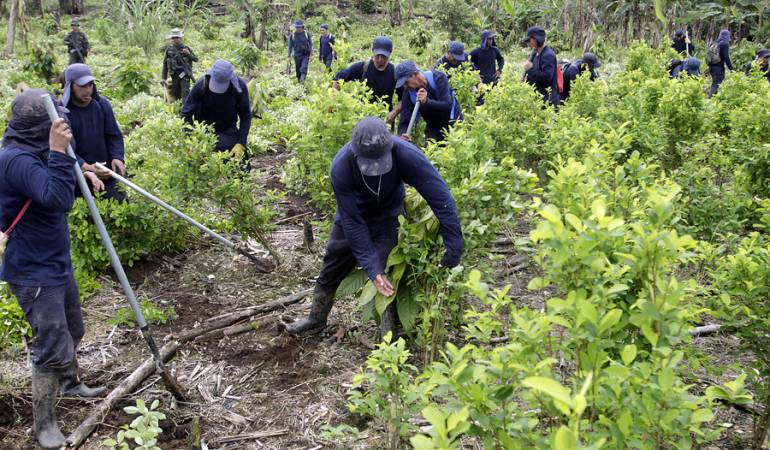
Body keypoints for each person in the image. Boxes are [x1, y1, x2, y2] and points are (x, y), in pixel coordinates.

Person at [285, 116, 463, 336]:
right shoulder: (341, 166)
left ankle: (388, 334)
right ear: (356, 152)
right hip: (354, 214)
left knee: (386, 269)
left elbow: (440, 196)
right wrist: (371, 268)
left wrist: (454, 241)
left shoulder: (406, 153)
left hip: (389, 214)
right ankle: (316, 318)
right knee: (333, 262)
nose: (377, 167)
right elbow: (353, 222)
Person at [0, 89, 106, 450]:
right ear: (37, 127)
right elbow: (55, 198)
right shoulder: (15, 161)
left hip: (56, 261)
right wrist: (59, 152)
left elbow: (61, 187)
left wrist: (83, 172)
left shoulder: (37, 150)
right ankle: (43, 423)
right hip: (34, 271)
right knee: (50, 344)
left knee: (74, 329)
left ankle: (70, 383)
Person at [62, 63, 126, 201]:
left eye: (90, 84)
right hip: (78, 178)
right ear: (70, 86)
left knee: (120, 206)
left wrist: (117, 156)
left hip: (107, 173)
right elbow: (64, 149)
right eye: (82, 86)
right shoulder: (62, 113)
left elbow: (114, 136)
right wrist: (86, 167)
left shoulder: (102, 105)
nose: (88, 90)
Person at [181, 59, 251, 159]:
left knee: (240, 162)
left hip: (228, 130)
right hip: (204, 131)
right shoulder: (201, 85)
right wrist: (190, 141)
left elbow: (246, 114)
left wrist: (241, 142)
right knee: (196, 162)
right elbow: (186, 113)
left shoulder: (239, 87)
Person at [334, 36, 401, 125]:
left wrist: (394, 112)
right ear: (373, 51)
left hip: (385, 119)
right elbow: (338, 80)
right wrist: (334, 100)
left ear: (389, 54)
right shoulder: (363, 67)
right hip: (363, 117)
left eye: (384, 57)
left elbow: (403, 98)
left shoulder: (394, 72)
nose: (380, 59)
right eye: (377, 55)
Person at [394, 61, 463, 143]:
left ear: (414, 74)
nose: (405, 86)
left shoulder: (438, 78)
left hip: (453, 123)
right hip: (433, 127)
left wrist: (427, 102)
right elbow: (404, 120)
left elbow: (447, 105)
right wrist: (402, 134)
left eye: (406, 82)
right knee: (429, 149)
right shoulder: (408, 93)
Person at [522, 26, 560, 107]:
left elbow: (546, 78)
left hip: (548, 101)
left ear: (536, 40)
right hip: (538, 98)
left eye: (529, 40)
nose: (527, 43)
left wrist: (530, 69)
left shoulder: (548, 55)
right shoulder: (535, 52)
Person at [162, 28, 198, 104]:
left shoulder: (185, 48)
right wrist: (164, 78)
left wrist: (188, 54)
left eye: (177, 37)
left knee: (185, 92)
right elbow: (165, 64)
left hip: (184, 74)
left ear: (180, 38)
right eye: (173, 38)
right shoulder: (169, 49)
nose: (175, 39)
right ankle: (180, 107)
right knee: (176, 92)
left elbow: (195, 59)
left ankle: (185, 109)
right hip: (174, 75)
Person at [707, 29, 733, 97]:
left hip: (711, 66)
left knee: (715, 83)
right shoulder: (725, 44)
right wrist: (731, 68)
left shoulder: (714, 42)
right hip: (718, 67)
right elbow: (726, 57)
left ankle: (714, 98)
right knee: (716, 84)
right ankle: (710, 99)